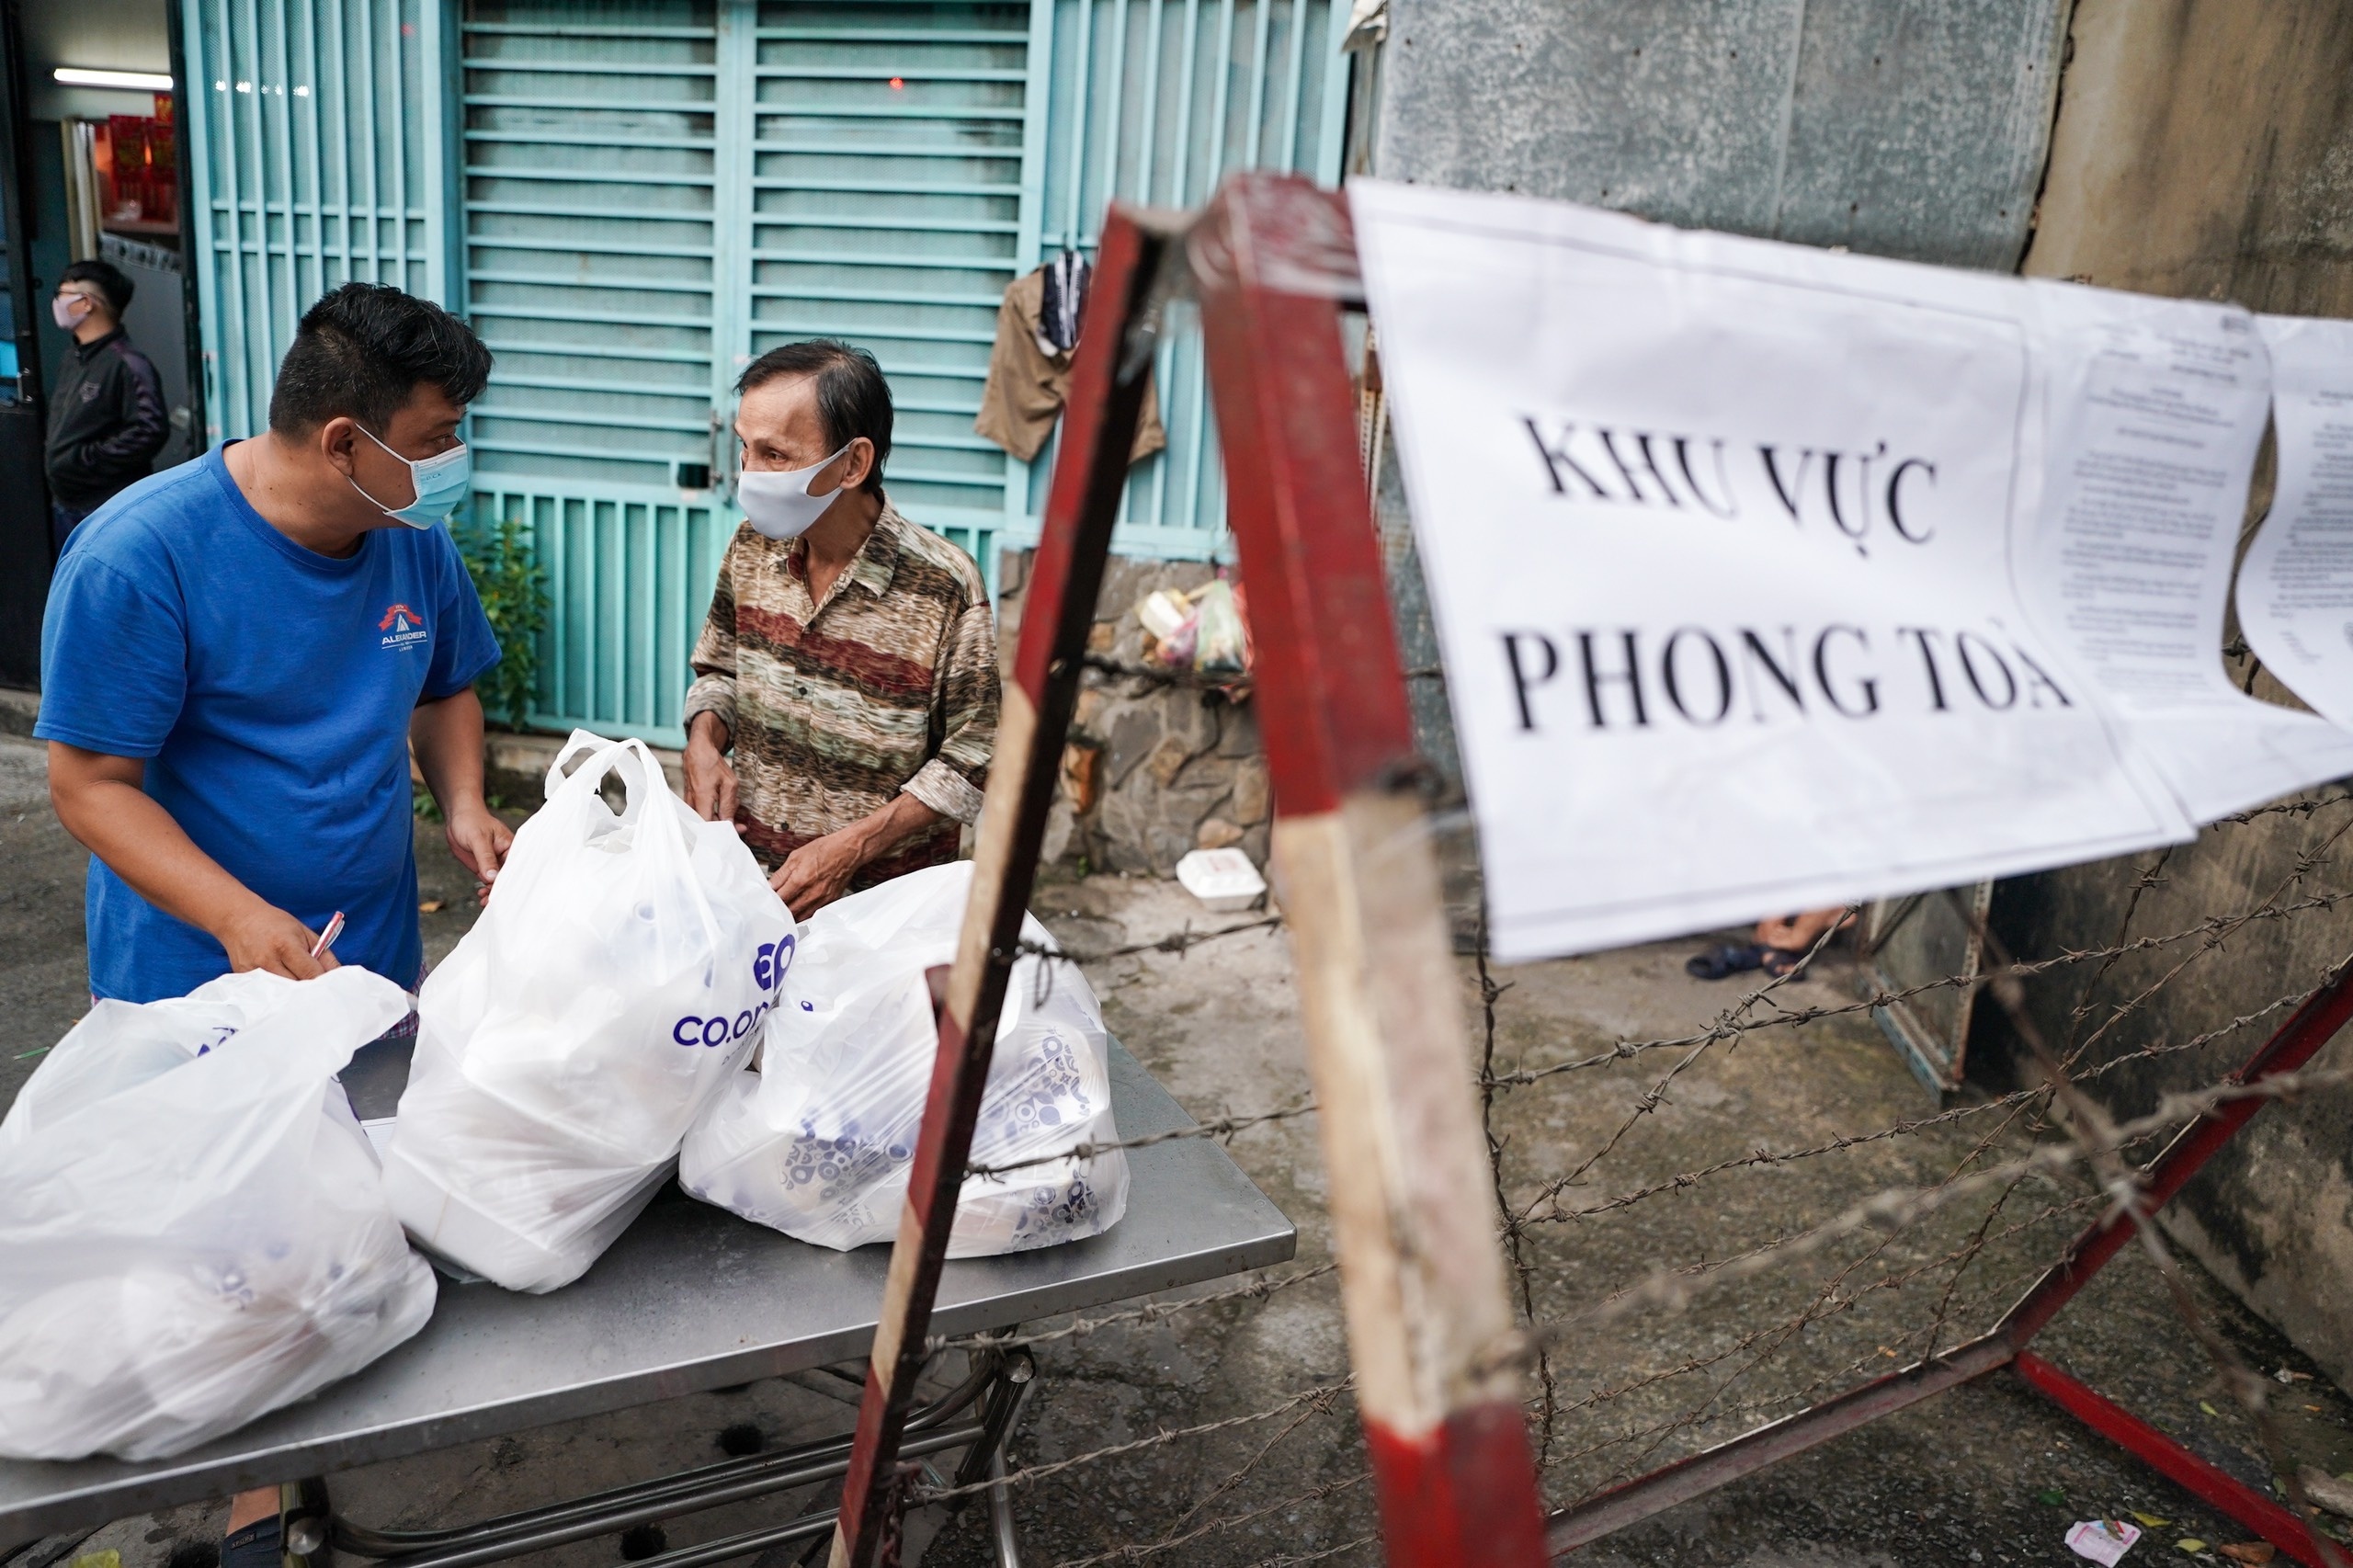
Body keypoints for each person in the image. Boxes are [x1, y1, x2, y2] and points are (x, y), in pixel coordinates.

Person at [37, 279, 515, 1568]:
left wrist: (465, 802)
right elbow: (89, 783)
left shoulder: (407, 537)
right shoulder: (143, 555)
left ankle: (311, 1455)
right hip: (198, 984)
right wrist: (241, 916)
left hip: (364, 970)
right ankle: (257, 1503)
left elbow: (447, 683)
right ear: (345, 441)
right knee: (218, 1251)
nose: (455, 458)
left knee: (335, 1219)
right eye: (437, 435)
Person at [684, 339, 999, 915]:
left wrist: (856, 847)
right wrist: (703, 743)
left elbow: (974, 756)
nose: (750, 474)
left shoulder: (945, 585)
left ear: (853, 463)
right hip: (749, 888)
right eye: (745, 448)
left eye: (775, 455)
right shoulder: (750, 548)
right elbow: (721, 670)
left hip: (881, 913)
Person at [45, 257, 169, 551]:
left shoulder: (128, 363)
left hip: (106, 507)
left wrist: (83, 460)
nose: (57, 303)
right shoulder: (74, 357)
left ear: (86, 302)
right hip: (66, 505)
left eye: (62, 294)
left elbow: (149, 429)